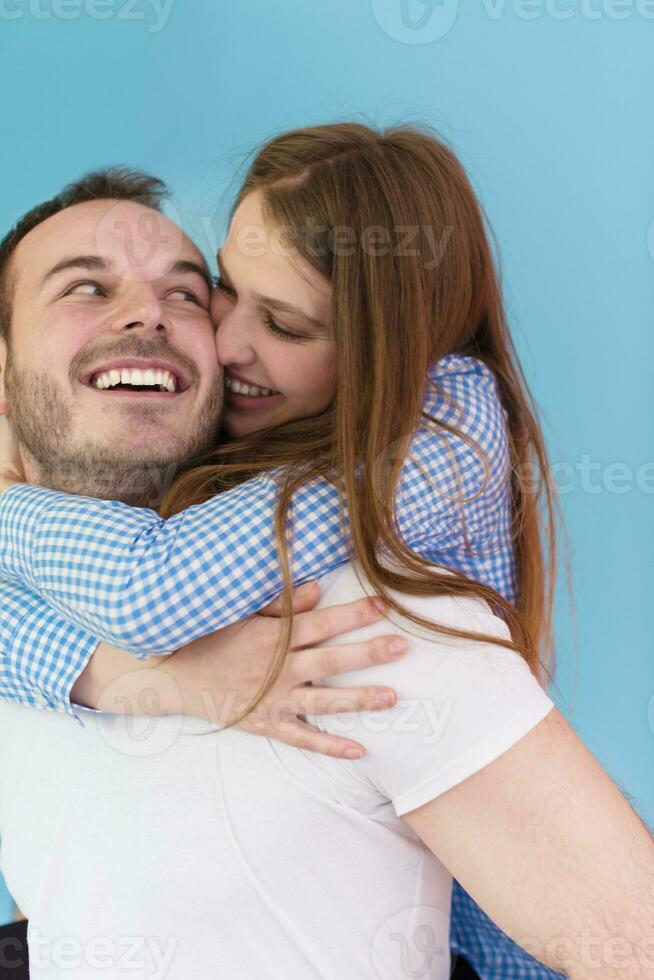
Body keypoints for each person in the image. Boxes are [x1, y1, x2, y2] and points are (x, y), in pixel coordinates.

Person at [0, 127, 651, 978]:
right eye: (227, 291)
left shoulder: (369, 615)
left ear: (372, 365)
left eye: (189, 294)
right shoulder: (47, 588)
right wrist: (131, 677)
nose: (217, 337)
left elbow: (628, 938)